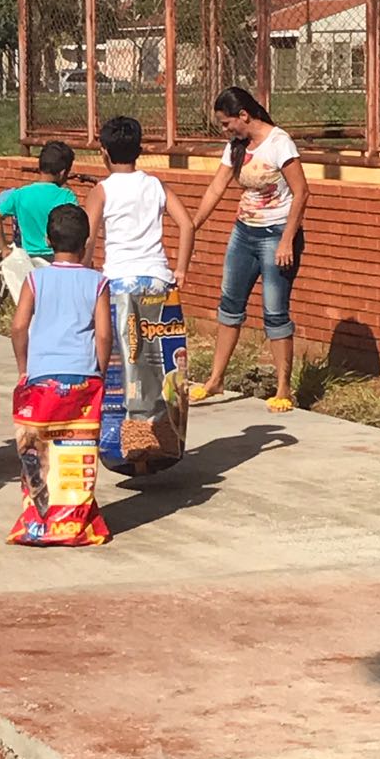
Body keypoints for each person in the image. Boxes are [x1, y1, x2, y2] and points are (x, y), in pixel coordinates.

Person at [83, 116, 194, 476]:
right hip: (158, 283)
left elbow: (88, 237)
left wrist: (84, 276)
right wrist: (180, 269)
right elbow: (187, 224)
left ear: (103, 151)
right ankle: (163, 440)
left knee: (124, 371)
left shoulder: (102, 190)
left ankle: (130, 447)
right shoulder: (155, 185)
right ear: (140, 149)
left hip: (119, 286)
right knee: (159, 367)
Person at [189, 86, 309, 412]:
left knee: (274, 311)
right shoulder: (236, 147)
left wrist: (287, 239)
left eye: (227, 123)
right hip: (244, 233)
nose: (225, 130)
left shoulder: (279, 143)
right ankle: (215, 379)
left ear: (243, 115)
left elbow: (301, 192)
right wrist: (193, 224)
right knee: (229, 305)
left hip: (276, 234)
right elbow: (217, 187)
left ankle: (284, 388)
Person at [7, 204, 112, 547]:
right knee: (77, 450)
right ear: (87, 241)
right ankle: (74, 522)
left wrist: (24, 368)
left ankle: (39, 521)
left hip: (41, 378)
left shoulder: (35, 279)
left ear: (48, 240)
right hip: (83, 377)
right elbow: (104, 334)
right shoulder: (98, 282)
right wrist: (99, 370)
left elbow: (19, 326)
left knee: (38, 451)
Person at [0, 140, 78, 303]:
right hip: (56, 258)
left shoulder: (20, 194)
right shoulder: (66, 196)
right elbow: (74, 225)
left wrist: (3, 248)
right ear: (62, 172)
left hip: (28, 260)